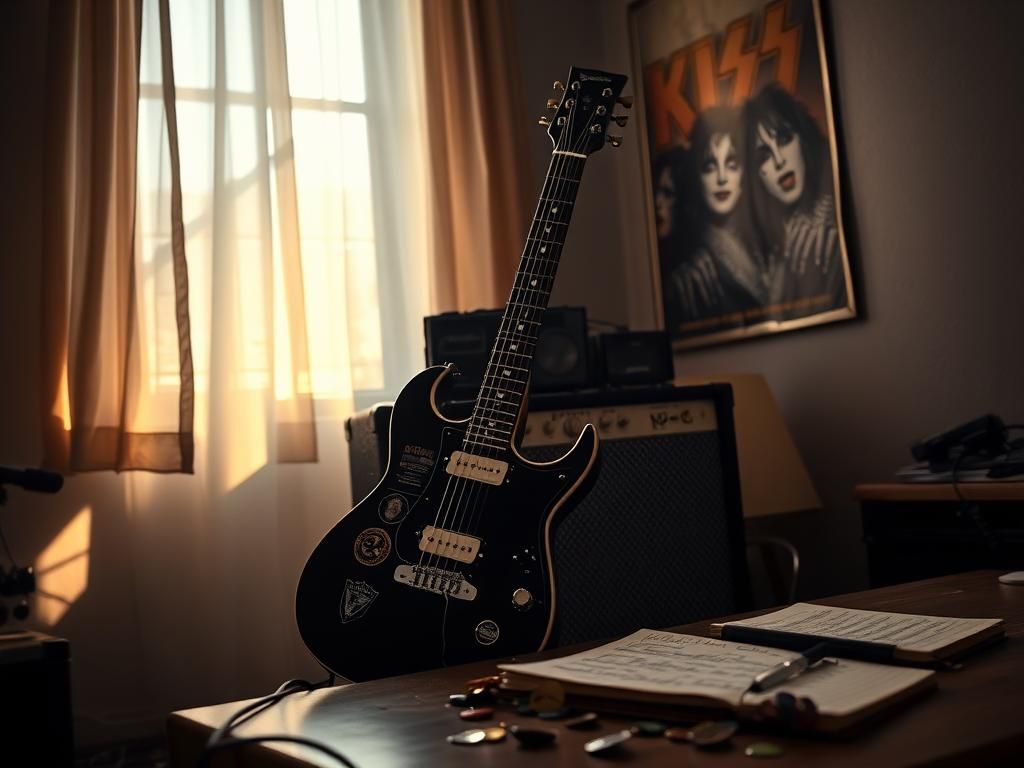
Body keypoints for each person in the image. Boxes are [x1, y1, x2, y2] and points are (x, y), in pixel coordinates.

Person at [668, 106, 777, 327]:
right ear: (696, 176)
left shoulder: (769, 242)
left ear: (744, 172)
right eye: (709, 166)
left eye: (731, 164)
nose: (721, 178)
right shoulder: (692, 275)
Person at [744, 84, 845, 312]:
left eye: (784, 139)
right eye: (765, 155)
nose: (779, 160)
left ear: (803, 139)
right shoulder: (761, 245)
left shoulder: (827, 235)